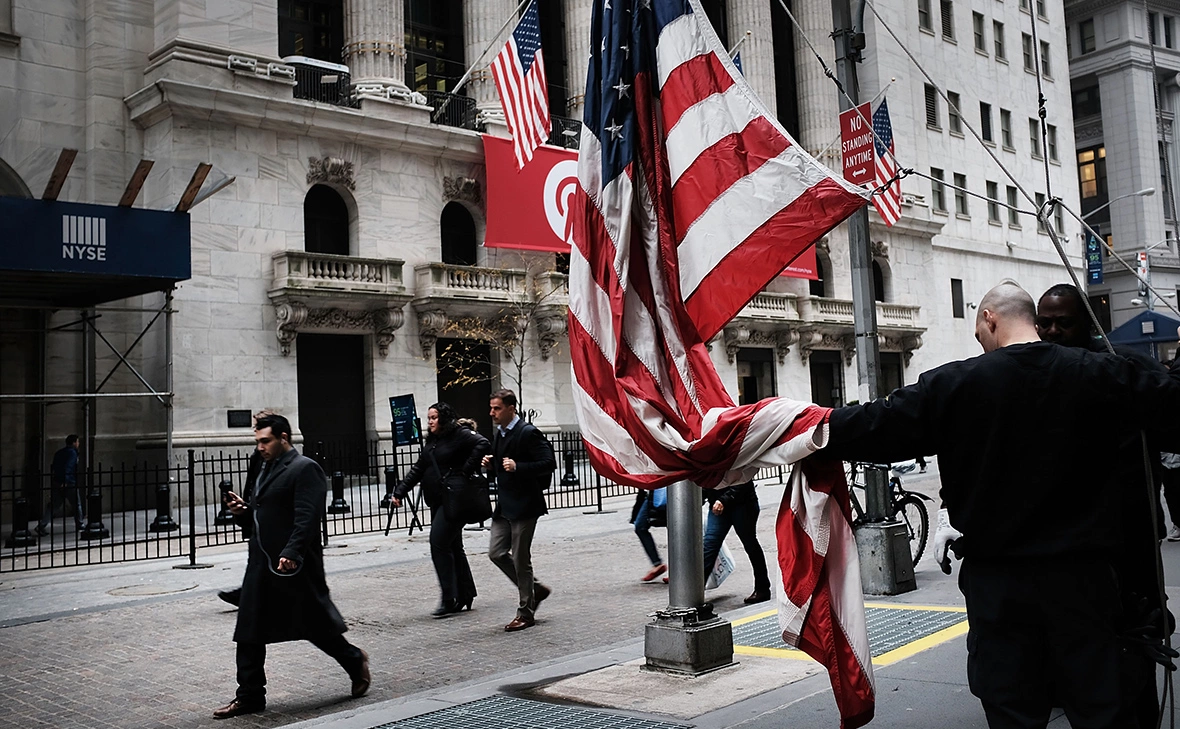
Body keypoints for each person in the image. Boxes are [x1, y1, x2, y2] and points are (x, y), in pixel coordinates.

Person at [821, 280, 1180, 729]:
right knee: (1099, 706)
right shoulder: (1101, 373)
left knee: (1013, 708)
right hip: (1084, 582)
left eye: (978, 332)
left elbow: (870, 427)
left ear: (989, 318)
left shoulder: (952, 384)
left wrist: (788, 427)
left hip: (1000, 586)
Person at [1036, 282, 1171, 729]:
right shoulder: (1040, 374)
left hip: (1130, 535)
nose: (1053, 331)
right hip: (1071, 543)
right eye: (1046, 323)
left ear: (1089, 324)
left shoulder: (1123, 367)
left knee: (1137, 644)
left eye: (1064, 322)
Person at [213, 413, 369, 719]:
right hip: (261, 562)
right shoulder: (263, 467)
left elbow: (308, 517)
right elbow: (261, 514)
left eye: (265, 440)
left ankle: (354, 661)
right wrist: (242, 511)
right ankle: (249, 696)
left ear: (284, 438)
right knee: (249, 630)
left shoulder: (305, 468)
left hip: (294, 565)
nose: (260, 447)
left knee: (315, 625)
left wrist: (293, 551)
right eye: (257, 441)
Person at [391, 402, 490, 617]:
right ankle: (465, 593)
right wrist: (400, 492)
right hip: (437, 500)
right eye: (428, 418)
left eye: (434, 418)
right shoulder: (433, 441)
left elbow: (482, 443)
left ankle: (449, 597)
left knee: (438, 543)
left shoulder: (459, 434)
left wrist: (465, 469)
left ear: (444, 418)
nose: (430, 422)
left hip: (454, 500)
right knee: (453, 546)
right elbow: (419, 467)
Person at [482, 389, 556, 632]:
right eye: (492, 408)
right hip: (504, 505)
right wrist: (491, 465)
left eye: (497, 408)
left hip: (525, 505)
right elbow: (503, 470)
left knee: (521, 559)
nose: (492, 413)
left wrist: (518, 466)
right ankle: (535, 589)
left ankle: (526, 612)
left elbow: (548, 463)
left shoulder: (528, 432)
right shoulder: (500, 434)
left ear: (511, 408)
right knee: (496, 552)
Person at [220, 411, 273, 608]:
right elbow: (254, 482)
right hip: (256, 513)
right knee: (258, 559)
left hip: (267, 519)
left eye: (258, 425)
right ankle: (249, 592)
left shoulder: (277, 458)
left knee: (261, 559)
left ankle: (247, 594)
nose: (255, 431)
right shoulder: (258, 452)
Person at [703, 480, 771, 604]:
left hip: (742, 504)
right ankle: (695, 593)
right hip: (718, 504)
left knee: (750, 543)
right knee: (710, 544)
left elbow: (744, 479)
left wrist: (723, 500)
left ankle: (762, 588)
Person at [36, 434, 83, 536]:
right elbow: (68, 467)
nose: (78, 444)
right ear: (74, 443)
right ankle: (80, 524)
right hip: (68, 482)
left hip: (57, 481)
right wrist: (65, 481)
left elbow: (54, 467)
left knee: (53, 506)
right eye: (78, 442)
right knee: (76, 504)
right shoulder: (73, 453)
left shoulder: (59, 453)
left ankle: (41, 525)